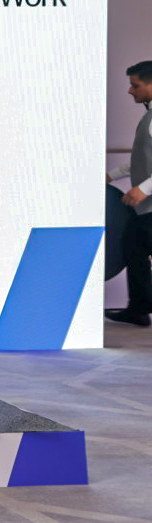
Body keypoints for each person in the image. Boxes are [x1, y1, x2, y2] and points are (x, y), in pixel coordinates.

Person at [107, 61, 152, 327]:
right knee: (134, 247)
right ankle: (139, 308)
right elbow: (140, 158)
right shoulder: (149, 117)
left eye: (135, 85)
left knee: (135, 246)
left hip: (149, 204)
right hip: (147, 207)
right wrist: (112, 175)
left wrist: (143, 189)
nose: (130, 91)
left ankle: (139, 308)